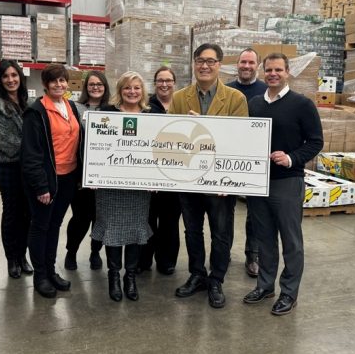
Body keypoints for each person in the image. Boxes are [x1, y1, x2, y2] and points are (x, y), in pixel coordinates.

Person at [169, 43, 248, 309]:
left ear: (219, 65)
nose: (205, 66)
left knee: (221, 232)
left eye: (211, 61)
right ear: (193, 63)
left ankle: (216, 279)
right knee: (192, 230)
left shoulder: (235, 99)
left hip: (220, 181)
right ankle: (197, 275)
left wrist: (204, 126)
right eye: (200, 60)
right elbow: (171, 137)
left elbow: (239, 141)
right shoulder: (180, 98)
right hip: (189, 177)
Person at [243, 53, 323, 316]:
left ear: (288, 72)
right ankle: (265, 285)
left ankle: (289, 292)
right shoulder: (254, 104)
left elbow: (315, 141)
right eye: (269, 70)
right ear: (263, 73)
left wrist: (291, 158)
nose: (273, 74)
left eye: (278, 69)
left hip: (287, 182)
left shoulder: (302, 105)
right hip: (257, 183)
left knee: (291, 241)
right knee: (264, 238)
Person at [21, 64, 82, 298]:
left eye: (63, 81)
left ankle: (50, 270)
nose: (59, 85)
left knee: (55, 225)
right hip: (47, 180)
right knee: (40, 226)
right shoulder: (36, 111)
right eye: (54, 81)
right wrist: (40, 186)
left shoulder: (70, 106)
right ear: (45, 84)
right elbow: (31, 153)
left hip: (68, 177)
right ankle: (40, 276)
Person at [92, 71, 152, 302]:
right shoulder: (106, 114)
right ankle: (114, 276)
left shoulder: (152, 115)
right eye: (127, 87)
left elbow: (158, 149)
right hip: (110, 187)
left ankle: (131, 276)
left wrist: (157, 179)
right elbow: (93, 146)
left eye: (136, 87)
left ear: (142, 91)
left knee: (135, 230)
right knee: (113, 231)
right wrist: (93, 175)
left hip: (138, 188)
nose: (132, 92)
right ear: (120, 90)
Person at [0, 60, 33, 279]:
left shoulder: (27, 103)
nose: (11, 80)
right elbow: (5, 142)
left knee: (27, 213)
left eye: (14, 75)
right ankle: (12, 259)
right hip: (7, 166)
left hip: (28, 166)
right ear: (0, 80)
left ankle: (23, 257)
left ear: (20, 78)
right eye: (6, 76)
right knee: (12, 211)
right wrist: (35, 150)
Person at [226, 48, 268, 279]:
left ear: (257, 66)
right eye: (243, 62)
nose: (246, 66)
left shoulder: (265, 91)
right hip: (228, 159)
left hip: (255, 160)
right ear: (238, 64)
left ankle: (253, 255)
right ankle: (224, 252)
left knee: (256, 211)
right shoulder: (226, 90)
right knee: (225, 208)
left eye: (251, 62)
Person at [64, 71, 111, 271]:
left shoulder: (113, 109)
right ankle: (71, 251)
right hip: (81, 174)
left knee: (101, 218)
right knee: (80, 217)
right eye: (92, 84)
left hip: (105, 175)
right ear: (86, 87)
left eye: (99, 84)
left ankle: (95, 252)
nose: (95, 87)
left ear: (105, 87)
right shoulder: (75, 108)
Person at [139, 66, 181, 275]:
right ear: (154, 84)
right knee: (147, 219)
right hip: (149, 175)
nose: (164, 84)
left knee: (170, 221)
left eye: (168, 80)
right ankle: (144, 260)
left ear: (174, 83)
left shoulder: (182, 105)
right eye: (160, 81)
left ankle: (166, 261)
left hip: (174, 175)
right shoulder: (145, 106)